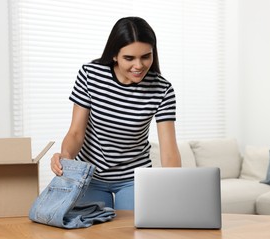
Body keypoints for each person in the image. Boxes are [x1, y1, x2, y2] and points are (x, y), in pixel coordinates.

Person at [51, 16, 181, 210]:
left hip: (134, 177)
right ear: (114, 55)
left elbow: (169, 151)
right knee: (94, 234)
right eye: (129, 58)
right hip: (90, 176)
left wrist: (173, 190)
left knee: (133, 233)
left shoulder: (162, 89)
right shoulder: (90, 75)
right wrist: (66, 158)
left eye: (146, 56)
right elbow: (76, 133)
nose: (139, 66)